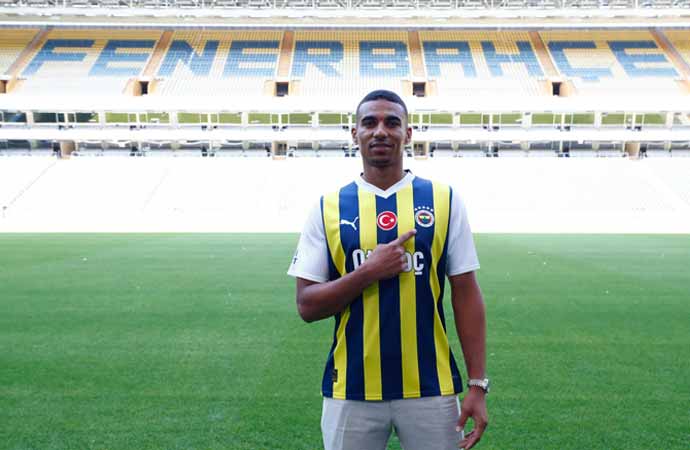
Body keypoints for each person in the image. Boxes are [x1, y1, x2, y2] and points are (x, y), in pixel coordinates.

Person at [287, 90, 488, 450]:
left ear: (407, 134)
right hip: (351, 389)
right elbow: (307, 305)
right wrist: (368, 271)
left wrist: (477, 384)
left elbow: (466, 292)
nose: (380, 131)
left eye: (392, 123)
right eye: (370, 122)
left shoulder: (444, 200)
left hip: (432, 388)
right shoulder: (328, 207)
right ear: (355, 134)